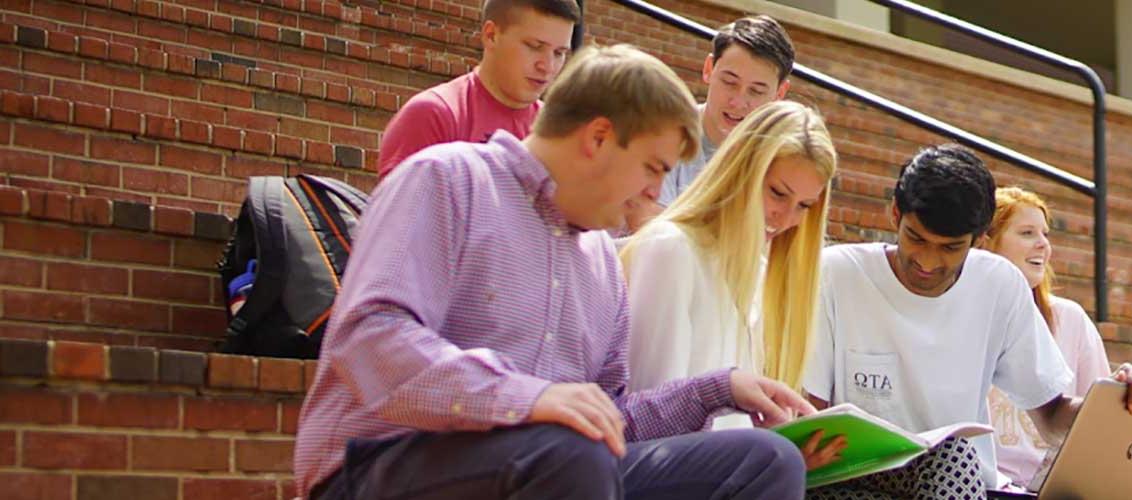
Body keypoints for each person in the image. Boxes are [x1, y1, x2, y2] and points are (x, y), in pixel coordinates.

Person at [294, 45, 813, 500]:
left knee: (764, 461)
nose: (658, 193)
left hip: (553, 467)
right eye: (654, 168)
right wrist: (528, 398)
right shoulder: (447, 179)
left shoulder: (602, 260)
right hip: (381, 463)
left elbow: (613, 418)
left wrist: (717, 390)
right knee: (570, 453)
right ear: (599, 138)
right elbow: (369, 339)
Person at [801, 144, 1132, 498]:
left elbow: (1052, 416)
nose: (927, 263)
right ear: (895, 214)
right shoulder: (836, 273)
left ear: (977, 240)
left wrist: (1115, 400)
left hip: (954, 484)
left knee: (954, 456)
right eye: (916, 239)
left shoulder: (997, 284)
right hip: (850, 481)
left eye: (949, 248)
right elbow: (809, 414)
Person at [978, 187, 1132, 500]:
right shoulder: (972, 318)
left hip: (1069, 481)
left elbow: (1107, 423)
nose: (1043, 244)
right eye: (1027, 233)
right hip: (1001, 488)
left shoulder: (1069, 318)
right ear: (985, 242)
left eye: (1046, 234)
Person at [622, 100, 836, 433]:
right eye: (778, 193)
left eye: (804, 206)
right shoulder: (671, 250)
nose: (787, 218)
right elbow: (649, 419)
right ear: (741, 171)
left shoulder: (765, 274)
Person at [377, 0, 578, 177]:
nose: (547, 66)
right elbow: (399, 217)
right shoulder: (433, 115)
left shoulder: (559, 133)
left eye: (559, 53)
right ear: (491, 35)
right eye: (534, 46)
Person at [658, 15, 798, 207]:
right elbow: (648, 226)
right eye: (730, 82)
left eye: (756, 91)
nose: (738, 102)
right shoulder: (664, 136)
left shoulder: (779, 165)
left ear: (779, 94)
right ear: (709, 69)